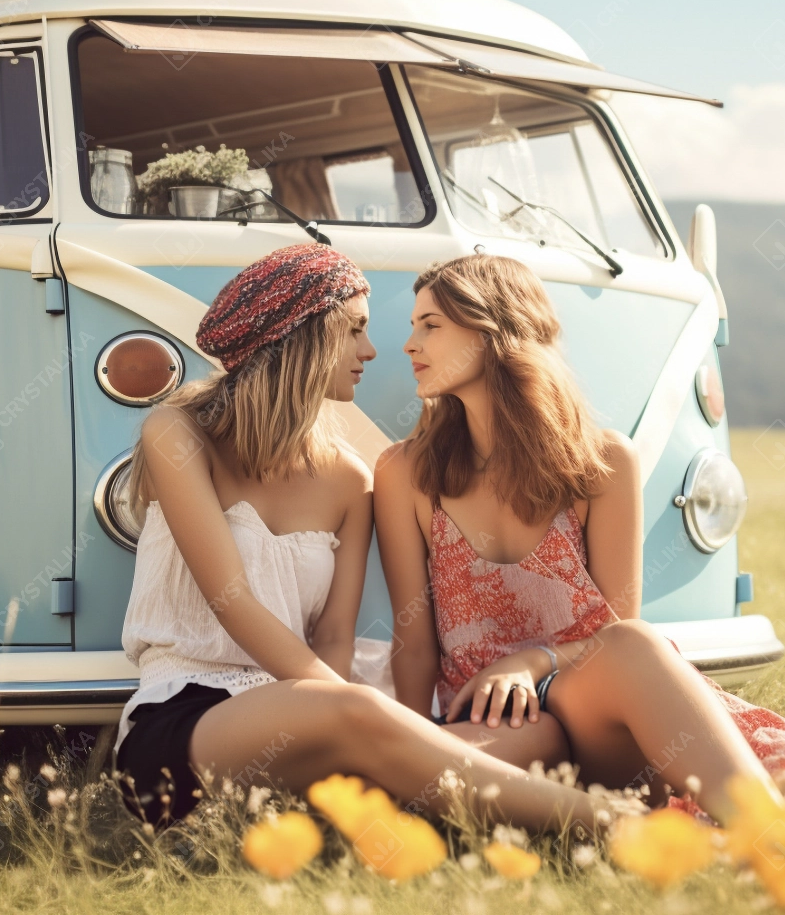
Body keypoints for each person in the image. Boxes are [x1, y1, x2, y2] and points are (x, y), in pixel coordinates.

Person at [115, 243, 612, 832]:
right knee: (354, 710)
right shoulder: (175, 433)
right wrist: (356, 709)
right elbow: (234, 601)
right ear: (303, 337)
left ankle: (393, 805)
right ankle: (614, 824)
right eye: (354, 331)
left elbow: (333, 638)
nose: (372, 351)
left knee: (543, 732)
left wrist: (358, 712)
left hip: (320, 714)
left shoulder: (350, 480)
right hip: (191, 711)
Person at [374, 254, 785, 826]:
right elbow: (414, 648)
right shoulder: (405, 474)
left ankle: (769, 838)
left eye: (430, 325)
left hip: (595, 714)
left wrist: (531, 662)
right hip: (496, 726)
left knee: (634, 643)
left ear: (495, 330)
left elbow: (616, 629)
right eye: (414, 326)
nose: (409, 345)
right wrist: (417, 743)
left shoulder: (603, 461)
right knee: (420, 781)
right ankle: (650, 825)